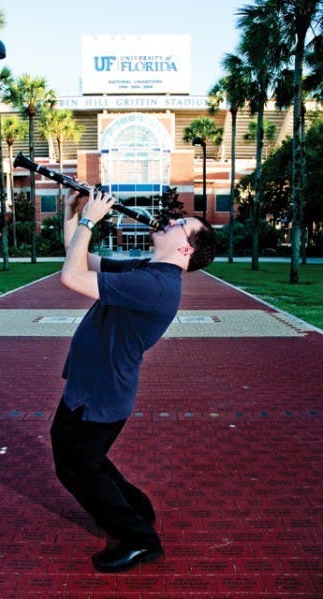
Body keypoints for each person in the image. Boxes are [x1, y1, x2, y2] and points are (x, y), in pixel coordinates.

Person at [50, 184, 216, 573]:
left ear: (186, 249)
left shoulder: (154, 286)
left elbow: (70, 277)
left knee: (75, 465)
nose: (171, 220)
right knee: (86, 459)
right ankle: (136, 509)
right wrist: (73, 215)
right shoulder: (149, 270)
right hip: (92, 385)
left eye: (181, 224)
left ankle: (141, 540)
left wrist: (92, 219)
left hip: (101, 391)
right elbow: (82, 259)